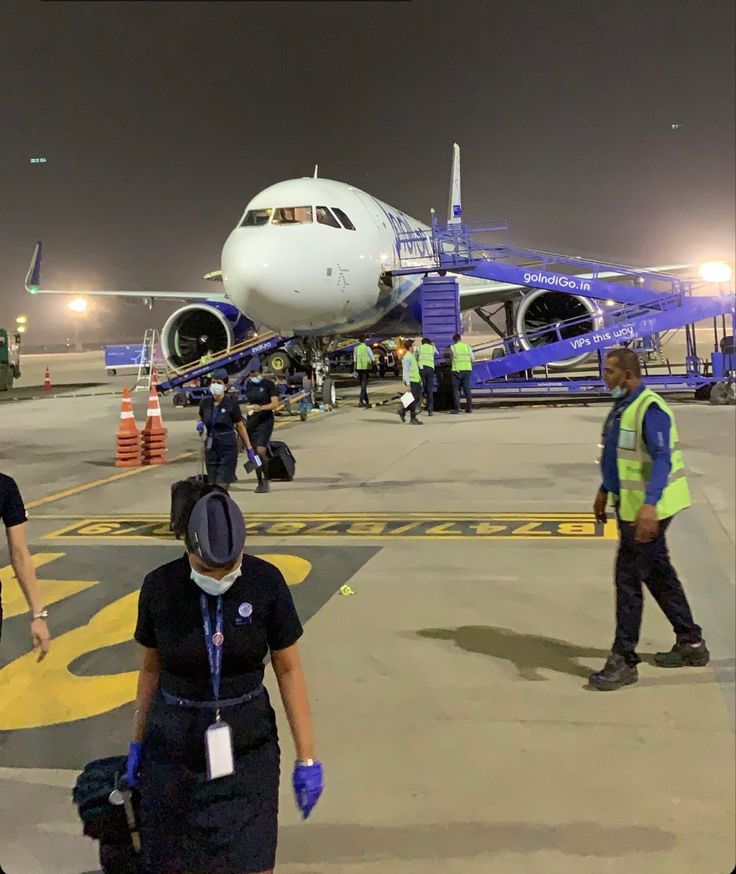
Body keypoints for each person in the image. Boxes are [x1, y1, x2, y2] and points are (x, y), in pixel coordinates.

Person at [127, 489, 323, 874]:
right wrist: (137, 742)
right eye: (205, 569)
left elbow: (289, 669)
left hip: (247, 752)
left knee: (250, 861)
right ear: (187, 548)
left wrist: (308, 757)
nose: (218, 578)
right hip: (174, 752)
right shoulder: (160, 587)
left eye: (228, 567)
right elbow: (150, 669)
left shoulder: (266, 582)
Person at [589, 348, 709, 691]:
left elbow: (661, 460)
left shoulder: (650, 408)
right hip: (629, 505)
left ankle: (623, 658)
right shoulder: (622, 406)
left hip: (646, 510)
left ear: (628, 375)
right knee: (657, 573)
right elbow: (617, 456)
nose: (605, 377)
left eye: (610, 372)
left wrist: (650, 505)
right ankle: (691, 642)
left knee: (627, 579)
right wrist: (604, 489)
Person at [0, 472, 51, 657]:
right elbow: (19, 554)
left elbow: (20, 554)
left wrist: (38, 614)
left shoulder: (5, 487)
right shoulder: (5, 485)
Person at [197, 369, 255, 492]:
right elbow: (202, 417)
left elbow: (240, 426)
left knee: (221, 485)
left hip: (227, 445)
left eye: (218, 382)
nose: (215, 385)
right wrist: (201, 424)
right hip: (211, 447)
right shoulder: (205, 403)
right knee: (211, 484)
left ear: (225, 386)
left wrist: (249, 448)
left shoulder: (231, 403)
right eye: (213, 382)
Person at [244, 365, 281, 494]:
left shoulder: (269, 385)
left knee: (260, 451)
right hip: (252, 421)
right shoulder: (249, 385)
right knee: (253, 454)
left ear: (261, 372)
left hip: (265, 421)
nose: (253, 377)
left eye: (255, 374)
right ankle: (259, 480)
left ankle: (266, 477)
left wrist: (261, 408)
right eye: (251, 374)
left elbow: (275, 404)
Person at [397, 339, 423, 425]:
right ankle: (412, 417)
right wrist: (407, 383)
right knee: (414, 399)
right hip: (412, 381)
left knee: (416, 398)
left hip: (416, 380)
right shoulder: (407, 357)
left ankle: (403, 410)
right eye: (413, 346)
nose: (414, 347)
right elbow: (406, 371)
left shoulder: (411, 356)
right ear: (410, 347)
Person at [449, 333, 474, 413]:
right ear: (460, 339)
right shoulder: (467, 346)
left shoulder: (453, 347)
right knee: (467, 389)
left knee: (456, 390)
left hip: (457, 370)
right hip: (467, 369)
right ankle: (469, 408)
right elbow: (472, 358)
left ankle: (457, 408)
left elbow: (450, 359)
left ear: (454, 340)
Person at [417, 337, 438, 416]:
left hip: (422, 369)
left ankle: (418, 407)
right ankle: (430, 410)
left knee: (420, 387)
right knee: (430, 389)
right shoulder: (432, 348)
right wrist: (433, 345)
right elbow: (437, 353)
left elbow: (416, 357)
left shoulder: (419, 348)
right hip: (430, 369)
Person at [353, 337, 375, 407]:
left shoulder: (356, 348)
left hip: (359, 368)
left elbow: (355, 360)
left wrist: (354, 370)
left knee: (363, 386)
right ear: (365, 341)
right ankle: (361, 401)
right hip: (366, 368)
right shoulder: (367, 348)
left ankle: (367, 401)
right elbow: (373, 358)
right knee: (363, 386)